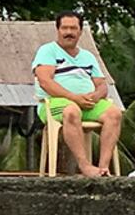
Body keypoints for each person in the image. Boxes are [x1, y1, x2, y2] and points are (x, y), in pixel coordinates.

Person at [32, 11, 123, 177]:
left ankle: (103, 168)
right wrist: (74, 98)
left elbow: (102, 85)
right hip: (55, 103)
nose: (69, 32)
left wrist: (95, 96)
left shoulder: (88, 56)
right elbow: (45, 82)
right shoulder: (48, 51)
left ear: (80, 31)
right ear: (58, 30)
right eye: (65, 28)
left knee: (114, 114)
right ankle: (85, 166)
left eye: (73, 28)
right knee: (72, 111)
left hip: (87, 102)